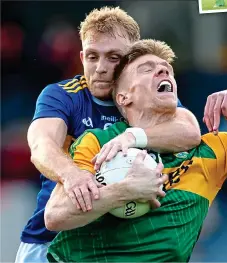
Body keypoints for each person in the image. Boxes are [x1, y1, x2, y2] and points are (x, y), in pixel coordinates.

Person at [44, 39, 227, 262]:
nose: (163, 72)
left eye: (166, 69)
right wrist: (125, 191)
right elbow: (56, 215)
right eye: (147, 69)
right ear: (125, 96)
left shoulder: (210, 151)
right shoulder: (99, 143)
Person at [15, 7, 201, 263]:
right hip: (50, 242)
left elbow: (189, 131)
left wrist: (131, 137)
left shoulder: (146, 94)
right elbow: (42, 146)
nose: (100, 68)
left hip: (117, 246)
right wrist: (73, 175)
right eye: (92, 57)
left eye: (113, 57)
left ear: (131, 58)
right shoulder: (63, 95)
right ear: (82, 56)